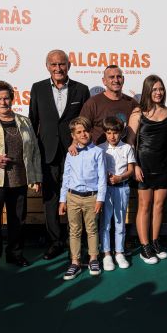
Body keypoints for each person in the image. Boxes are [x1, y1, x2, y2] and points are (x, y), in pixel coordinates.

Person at [0, 81, 42, 275]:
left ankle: (15, 254)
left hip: (19, 179)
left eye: (6, 98)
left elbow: (34, 150)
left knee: (18, 220)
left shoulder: (24, 121)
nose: (3, 102)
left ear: (12, 98)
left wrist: (35, 177)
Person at [29, 49, 91, 261]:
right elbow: (32, 123)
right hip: (47, 153)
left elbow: (84, 123)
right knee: (51, 199)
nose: (58, 68)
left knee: (77, 196)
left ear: (69, 66)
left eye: (62, 64)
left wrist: (76, 142)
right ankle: (55, 241)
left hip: (74, 153)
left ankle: (76, 239)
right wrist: (35, 156)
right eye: (53, 64)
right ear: (47, 66)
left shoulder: (81, 90)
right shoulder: (37, 89)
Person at [128, 75, 167, 264]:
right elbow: (130, 142)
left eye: (160, 89)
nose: (158, 92)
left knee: (159, 206)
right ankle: (144, 246)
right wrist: (135, 165)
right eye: (154, 89)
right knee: (144, 206)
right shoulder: (137, 113)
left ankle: (155, 241)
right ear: (147, 90)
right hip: (143, 164)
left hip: (163, 163)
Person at [58, 117, 106, 280]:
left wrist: (100, 199)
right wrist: (62, 200)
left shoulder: (98, 152)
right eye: (79, 132)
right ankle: (75, 262)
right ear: (73, 135)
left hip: (91, 198)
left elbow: (102, 178)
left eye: (85, 130)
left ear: (90, 131)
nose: (83, 134)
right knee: (74, 230)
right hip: (72, 198)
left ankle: (93, 258)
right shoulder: (71, 153)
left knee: (92, 229)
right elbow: (66, 177)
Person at [99, 117, 136, 271]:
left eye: (115, 133)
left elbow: (131, 170)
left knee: (120, 222)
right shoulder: (100, 148)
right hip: (105, 190)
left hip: (122, 188)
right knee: (106, 222)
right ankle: (107, 254)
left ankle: (119, 252)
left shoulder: (127, 148)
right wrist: (106, 177)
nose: (112, 136)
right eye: (108, 133)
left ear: (121, 133)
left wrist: (120, 177)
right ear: (105, 133)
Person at [80, 65, 140, 145]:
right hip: (100, 154)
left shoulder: (132, 103)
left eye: (119, 77)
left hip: (124, 155)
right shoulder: (93, 103)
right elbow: (80, 128)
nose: (116, 80)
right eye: (112, 77)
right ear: (104, 81)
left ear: (123, 79)